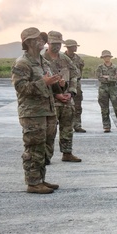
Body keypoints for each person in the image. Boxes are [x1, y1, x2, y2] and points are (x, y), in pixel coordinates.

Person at [12, 27, 62, 193]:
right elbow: (21, 88)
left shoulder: (43, 62)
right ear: (28, 42)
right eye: (37, 39)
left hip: (47, 111)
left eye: (42, 39)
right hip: (32, 113)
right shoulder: (22, 63)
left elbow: (50, 84)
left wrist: (59, 86)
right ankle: (33, 183)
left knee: (45, 147)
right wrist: (44, 83)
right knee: (34, 147)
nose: (42, 41)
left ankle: (41, 179)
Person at [42, 30, 81, 162]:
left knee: (67, 127)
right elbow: (40, 81)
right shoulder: (42, 60)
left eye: (59, 43)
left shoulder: (65, 59)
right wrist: (56, 94)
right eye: (54, 43)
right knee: (49, 131)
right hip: (50, 101)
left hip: (66, 100)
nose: (57, 46)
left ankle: (67, 153)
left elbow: (75, 74)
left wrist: (71, 91)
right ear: (48, 43)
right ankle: (46, 156)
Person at [96, 50, 117, 133]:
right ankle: (106, 126)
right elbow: (100, 78)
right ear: (103, 58)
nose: (107, 58)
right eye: (105, 57)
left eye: (108, 56)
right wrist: (111, 77)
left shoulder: (115, 67)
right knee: (104, 109)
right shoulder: (100, 67)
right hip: (103, 89)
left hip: (113, 89)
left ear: (110, 57)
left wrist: (107, 77)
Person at [63, 38, 86, 132]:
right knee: (63, 106)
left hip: (76, 84)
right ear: (69, 47)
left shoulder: (79, 59)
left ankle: (77, 125)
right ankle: (64, 125)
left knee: (77, 105)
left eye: (76, 46)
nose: (75, 48)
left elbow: (80, 73)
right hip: (63, 84)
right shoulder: (61, 58)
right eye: (74, 46)